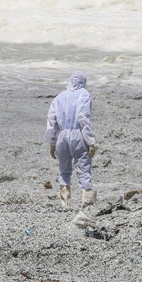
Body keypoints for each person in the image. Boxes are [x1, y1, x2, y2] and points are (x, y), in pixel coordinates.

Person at [45, 71, 96, 207]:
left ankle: (65, 203)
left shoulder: (59, 97)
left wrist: (52, 143)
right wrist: (90, 141)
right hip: (78, 135)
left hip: (62, 137)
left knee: (64, 171)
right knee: (84, 169)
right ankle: (87, 202)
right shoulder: (84, 94)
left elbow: (51, 121)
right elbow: (83, 118)